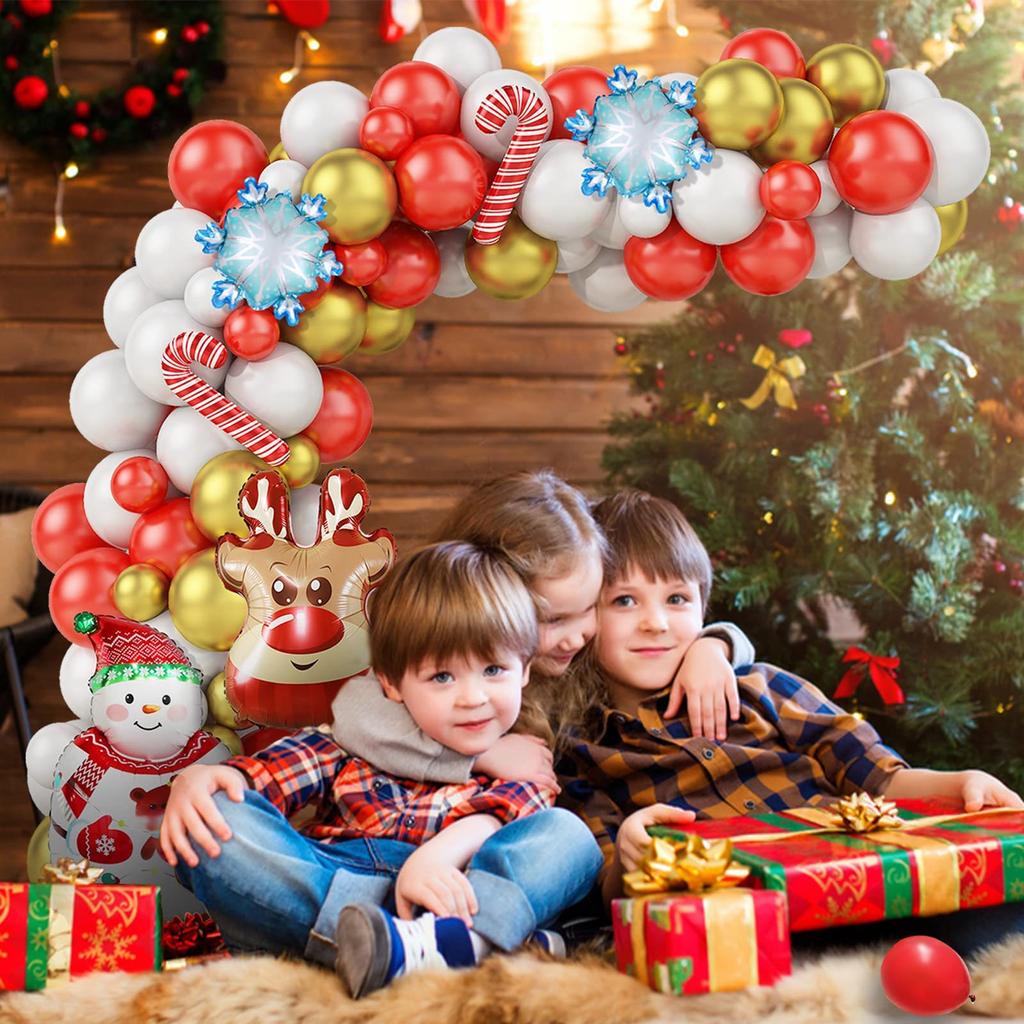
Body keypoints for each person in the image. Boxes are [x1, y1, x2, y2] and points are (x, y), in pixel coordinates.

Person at [555, 489, 1024, 955]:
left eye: (676, 598)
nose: (656, 622)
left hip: (860, 880)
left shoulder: (763, 687)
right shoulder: (583, 749)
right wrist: (631, 860)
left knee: (986, 920)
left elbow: (877, 776)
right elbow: (609, 887)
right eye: (624, 601)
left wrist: (959, 781)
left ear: (702, 607)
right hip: (742, 919)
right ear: (585, 617)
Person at [160, 542, 604, 997]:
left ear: (524, 670)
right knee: (211, 818)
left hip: (452, 900)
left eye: (494, 669)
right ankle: (415, 947)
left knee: (568, 837)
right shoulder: (350, 747)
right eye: (442, 677)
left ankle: (422, 945)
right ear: (391, 684)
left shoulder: (520, 762)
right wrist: (208, 780)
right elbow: (263, 776)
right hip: (328, 878)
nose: (474, 697)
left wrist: (433, 859)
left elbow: (505, 817)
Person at [331, 469, 757, 793]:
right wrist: (482, 756)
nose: (577, 637)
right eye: (553, 620)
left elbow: (662, 630)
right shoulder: (444, 646)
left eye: (589, 607)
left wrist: (714, 645)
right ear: (492, 602)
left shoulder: (585, 656)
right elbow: (355, 716)